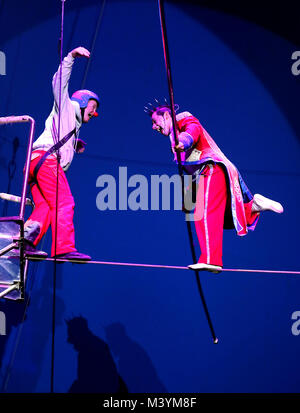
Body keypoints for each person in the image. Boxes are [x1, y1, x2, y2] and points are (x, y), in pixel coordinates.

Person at [146, 103, 283, 273]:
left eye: (154, 121)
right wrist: (187, 200)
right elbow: (188, 172)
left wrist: (184, 141)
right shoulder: (174, 143)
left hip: (212, 169)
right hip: (208, 173)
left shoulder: (181, 120)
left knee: (206, 212)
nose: (153, 127)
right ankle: (253, 206)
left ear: (166, 116)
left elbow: (193, 130)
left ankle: (212, 260)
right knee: (223, 217)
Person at [23, 46, 100, 261]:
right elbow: (59, 82)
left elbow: (59, 134)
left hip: (35, 162)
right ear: (82, 103)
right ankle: (64, 247)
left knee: (45, 206)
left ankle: (26, 242)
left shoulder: (71, 125)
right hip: (46, 162)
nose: (95, 113)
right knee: (64, 202)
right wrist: (71, 57)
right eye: (92, 107)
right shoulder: (66, 106)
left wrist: (75, 145)